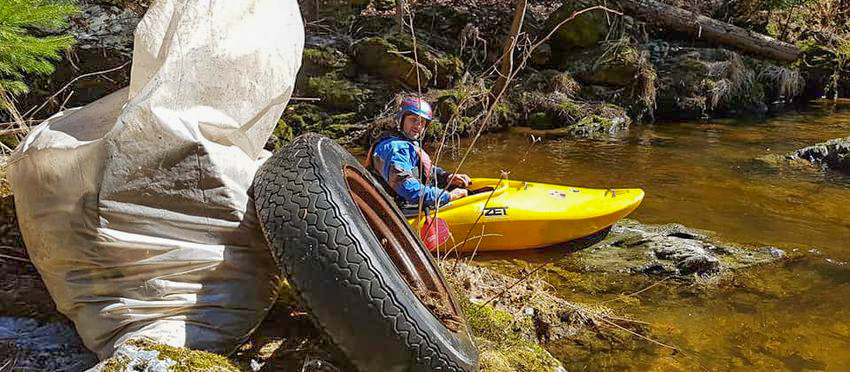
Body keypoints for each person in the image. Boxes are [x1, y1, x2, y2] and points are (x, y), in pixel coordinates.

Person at [366, 96, 471, 210]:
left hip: (409, 203)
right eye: (413, 119)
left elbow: (421, 169)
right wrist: (448, 196)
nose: (418, 126)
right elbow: (410, 190)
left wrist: (446, 177)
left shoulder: (405, 143)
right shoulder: (395, 149)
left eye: (422, 122)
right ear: (401, 120)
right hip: (400, 211)